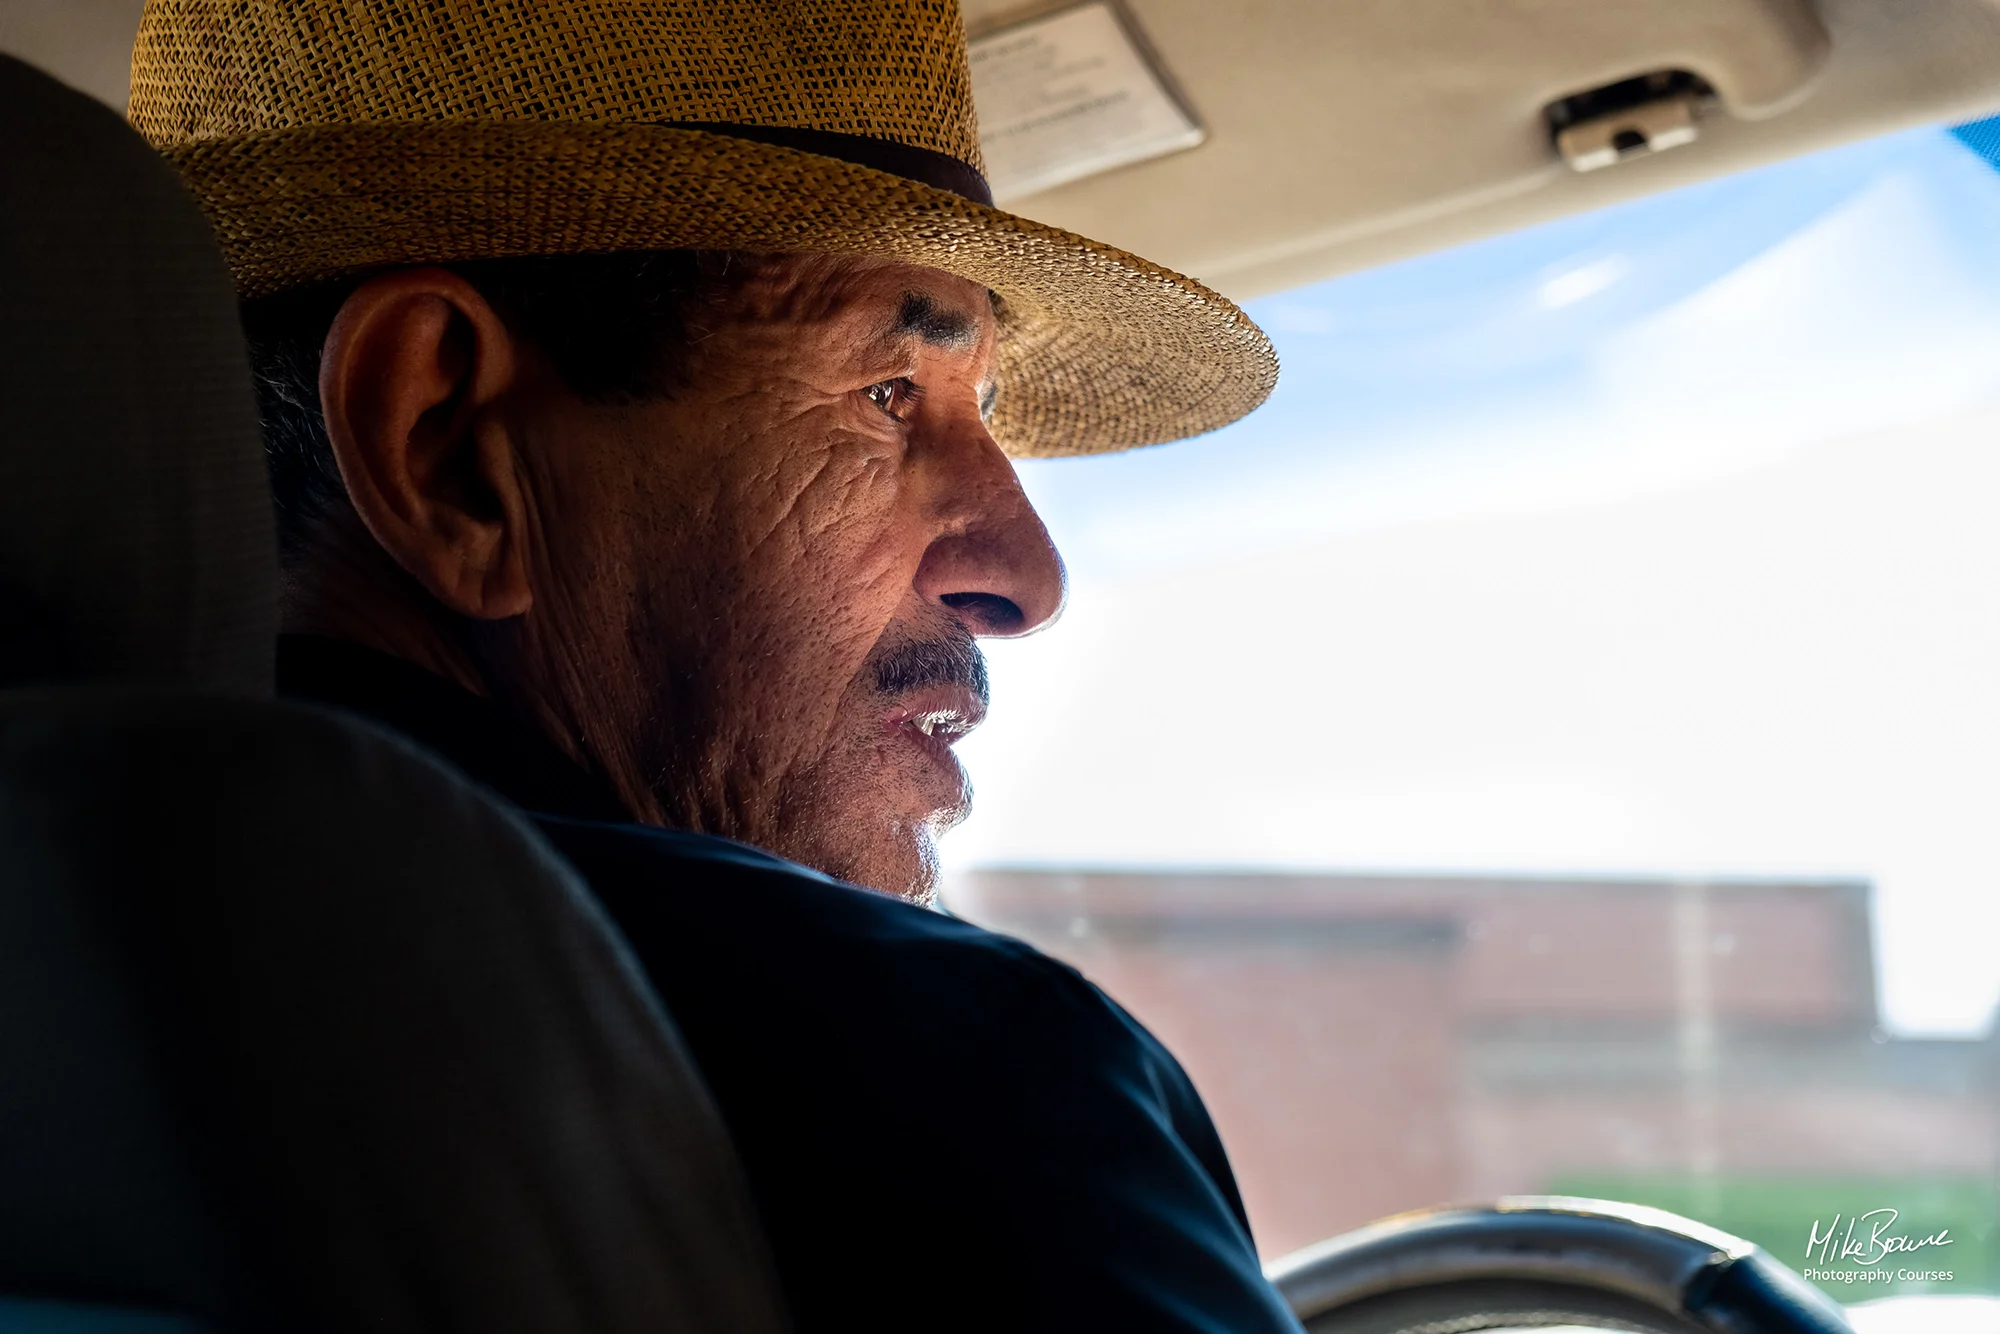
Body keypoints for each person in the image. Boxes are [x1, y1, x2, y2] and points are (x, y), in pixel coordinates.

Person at [131, 1, 1295, 1329]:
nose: (1023, 574)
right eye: (888, 394)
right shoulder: (928, 1078)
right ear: (445, 443)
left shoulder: (89, 989)